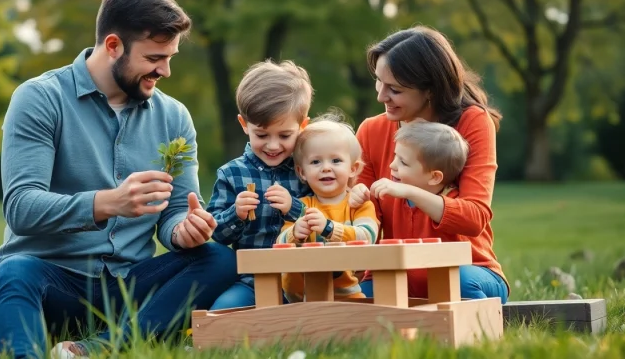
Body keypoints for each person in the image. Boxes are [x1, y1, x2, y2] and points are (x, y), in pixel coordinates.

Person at [0, 0, 237, 359]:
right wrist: (107, 203)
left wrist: (183, 230)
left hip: (128, 288)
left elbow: (175, 212)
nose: (165, 70)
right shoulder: (39, 98)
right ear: (114, 45)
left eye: (170, 57)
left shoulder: (174, 117)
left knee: (219, 258)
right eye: (154, 58)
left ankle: (98, 348)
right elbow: (21, 208)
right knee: (13, 272)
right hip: (52, 283)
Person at [349, 26, 509, 303]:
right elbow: (365, 221)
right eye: (379, 82)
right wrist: (352, 208)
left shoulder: (472, 122)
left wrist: (410, 192)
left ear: (430, 90)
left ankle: (476, 323)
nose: (381, 97)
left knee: (458, 283)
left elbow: (474, 218)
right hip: (396, 273)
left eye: (395, 89)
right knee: (354, 301)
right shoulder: (371, 131)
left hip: (467, 269)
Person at [208, 60, 314, 310]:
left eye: (285, 135)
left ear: (303, 126)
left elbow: (328, 217)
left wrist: (294, 208)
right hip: (251, 281)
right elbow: (216, 234)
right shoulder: (231, 174)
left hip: (302, 282)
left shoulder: (308, 170)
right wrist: (235, 214)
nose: (273, 145)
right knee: (222, 313)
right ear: (244, 125)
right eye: (262, 135)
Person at [276, 111, 379, 302]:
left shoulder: (358, 205)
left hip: (348, 297)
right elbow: (279, 245)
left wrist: (329, 228)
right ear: (302, 172)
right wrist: (294, 233)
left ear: (353, 168)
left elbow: (368, 237)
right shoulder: (302, 207)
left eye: (336, 160)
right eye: (316, 161)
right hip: (302, 300)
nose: (326, 167)